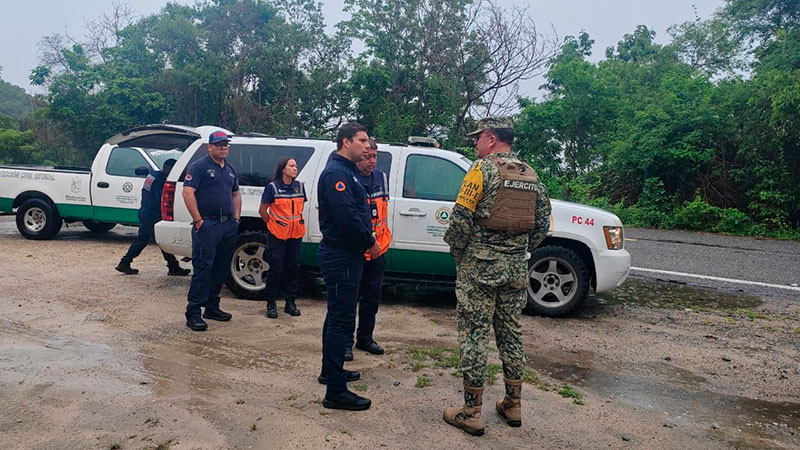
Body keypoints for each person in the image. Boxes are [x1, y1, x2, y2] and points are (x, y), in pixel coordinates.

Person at [442, 117, 551, 436]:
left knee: (475, 333)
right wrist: (517, 249)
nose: (475, 144)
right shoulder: (529, 174)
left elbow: (461, 219)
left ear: (491, 139)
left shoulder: (481, 170)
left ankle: (472, 412)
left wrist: (458, 253)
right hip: (515, 269)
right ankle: (513, 404)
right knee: (510, 333)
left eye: (478, 138)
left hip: (480, 268)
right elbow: (543, 223)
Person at [316, 122, 381, 411]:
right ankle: (335, 392)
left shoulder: (348, 171)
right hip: (341, 254)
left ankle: (331, 372)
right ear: (345, 141)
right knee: (341, 321)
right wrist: (370, 242)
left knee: (337, 316)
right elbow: (347, 216)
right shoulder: (337, 174)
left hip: (346, 254)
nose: (367, 146)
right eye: (362, 140)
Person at [183, 130, 242, 332]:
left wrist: (236, 219)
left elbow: (235, 194)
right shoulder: (199, 167)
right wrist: (198, 220)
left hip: (227, 226)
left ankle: (212, 307)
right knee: (203, 270)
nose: (223, 147)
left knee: (221, 268)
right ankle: (193, 313)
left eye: (226, 144)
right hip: (207, 226)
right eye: (219, 144)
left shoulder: (230, 169)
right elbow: (187, 192)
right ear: (210, 147)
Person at [345, 139, 391, 360]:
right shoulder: (350, 177)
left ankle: (365, 337)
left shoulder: (381, 177)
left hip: (378, 248)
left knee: (372, 297)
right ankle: (345, 343)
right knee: (348, 298)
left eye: (374, 156)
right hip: (355, 249)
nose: (371, 161)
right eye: (367, 156)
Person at [115, 158, 191, 276]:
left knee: (142, 239)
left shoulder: (153, 175)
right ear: (168, 168)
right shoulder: (160, 180)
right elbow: (160, 199)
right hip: (152, 214)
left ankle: (125, 262)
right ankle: (173, 267)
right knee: (162, 240)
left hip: (145, 211)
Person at [258, 157, 306, 319]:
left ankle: (290, 303)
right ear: (283, 169)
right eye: (291, 166)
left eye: (296, 166)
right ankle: (271, 304)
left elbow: (300, 208)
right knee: (275, 269)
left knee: (293, 269)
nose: (295, 168)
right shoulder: (272, 188)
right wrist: (272, 225)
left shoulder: (299, 186)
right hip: (277, 236)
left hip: (295, 235)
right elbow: (263, 210)